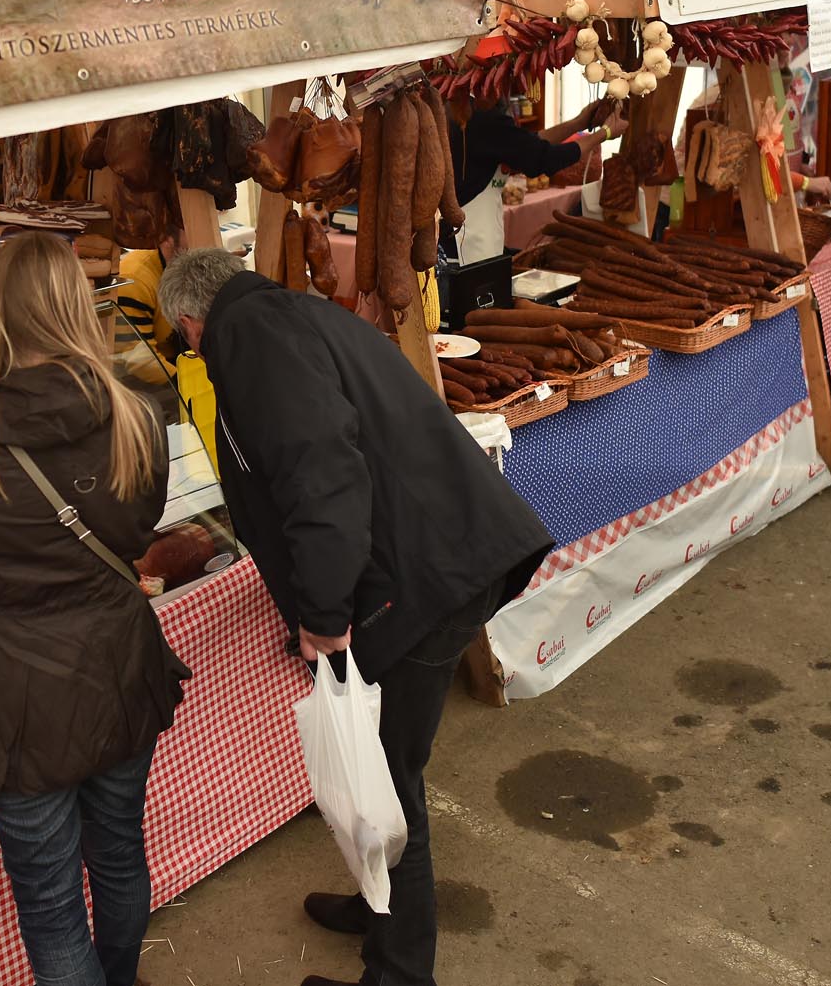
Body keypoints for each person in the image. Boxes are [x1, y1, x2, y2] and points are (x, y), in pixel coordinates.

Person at [158, 246, 554, 986]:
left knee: (391, 781)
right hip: (436, 554)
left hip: (421, 572)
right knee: (380, 764)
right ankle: (382, 908)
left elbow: (322, 476)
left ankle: (400, 971)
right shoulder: (286, 313)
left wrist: (324, 610)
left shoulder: (247, 337)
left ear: (189, 322)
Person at [0, 232, 190, 986]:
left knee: (52, 905)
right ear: (76, 307)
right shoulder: (137, 416)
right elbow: (136, 536)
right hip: (121, 666)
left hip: (17, 699)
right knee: (119, 854)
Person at [442, 94, 616, 262]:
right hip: (467, 244)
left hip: (469, 237)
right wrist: (604, 133)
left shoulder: (461, 107)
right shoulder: (481, 116)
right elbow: (543, 158)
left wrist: (579, 122)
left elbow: (529, 144)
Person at [112, 234, 180, 382]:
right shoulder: (134, 279)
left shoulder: (187, 267)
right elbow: (139, 360)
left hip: (177, 362)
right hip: (135, 381)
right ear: (167, 238)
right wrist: (190, 387)